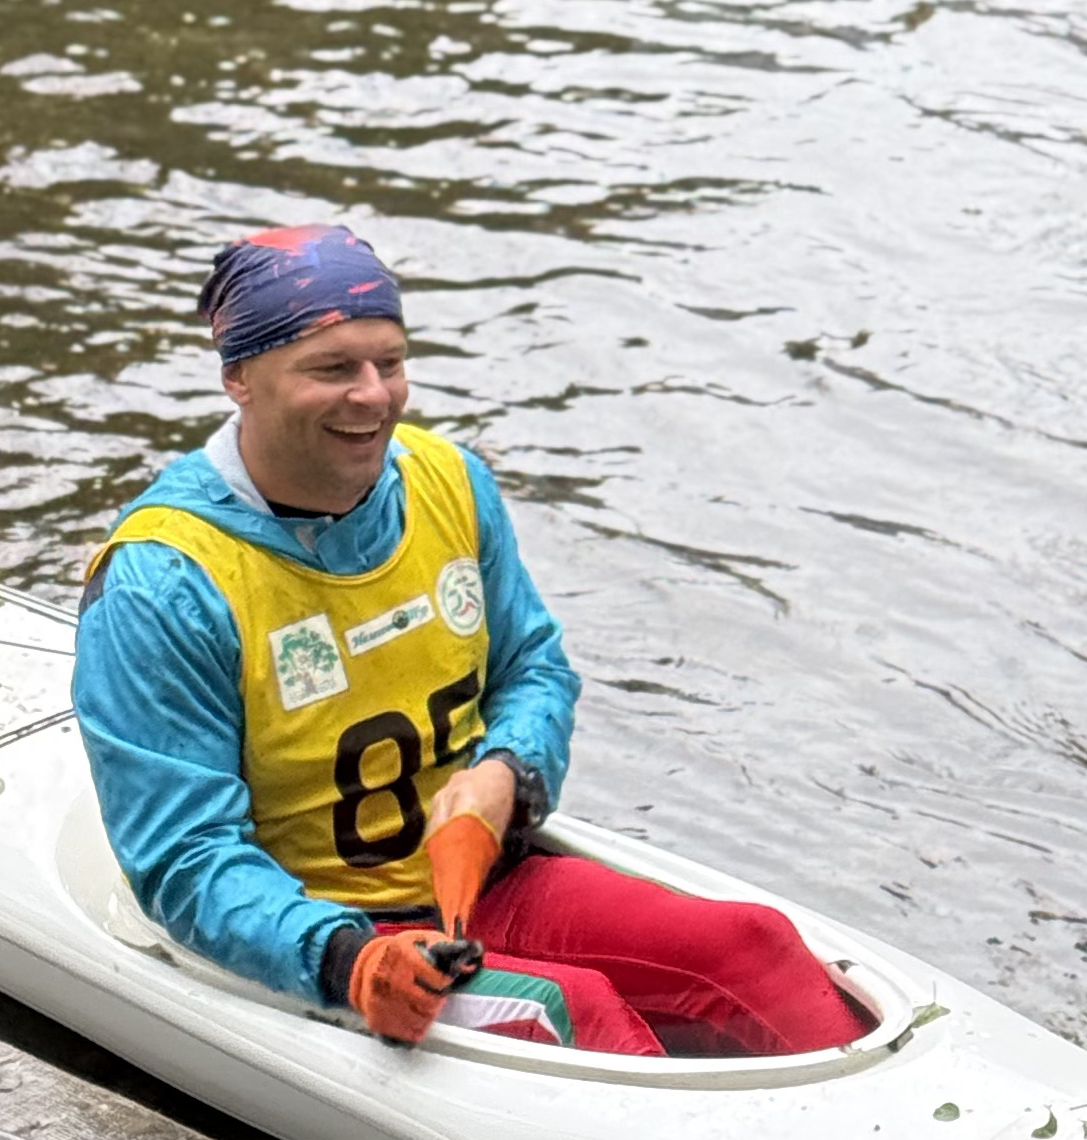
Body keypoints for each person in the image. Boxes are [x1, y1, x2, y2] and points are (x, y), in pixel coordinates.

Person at [74, 223, 863, 1058]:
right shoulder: (162, 584)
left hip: (477, 885)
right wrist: (349, 958)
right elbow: (185, 860)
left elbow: (533, 667)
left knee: (753, 943)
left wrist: (507, 774)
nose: (375, 396)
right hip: (338, 937)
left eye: (391, 362)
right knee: (576, 1012)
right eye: (333, 369)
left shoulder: (449, 480)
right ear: (240, 379)